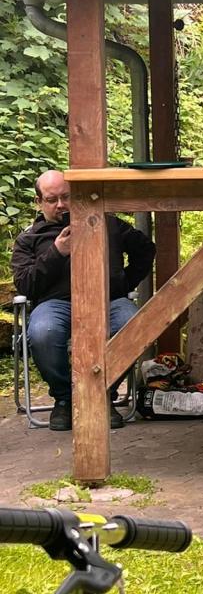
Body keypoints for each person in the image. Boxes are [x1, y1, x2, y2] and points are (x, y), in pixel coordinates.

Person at [11, 169, 155, 432]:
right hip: (55, 304)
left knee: (133, 324)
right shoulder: (30, 238)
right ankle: (65, 399)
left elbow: (145, 249)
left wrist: (123, 282)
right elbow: (25, 285)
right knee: (43, 332)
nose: (61, 205)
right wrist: (56, 251)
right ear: (39, 202)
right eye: (52, 199)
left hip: (108, 300)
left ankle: (103, 393)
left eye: (66, 197)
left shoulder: (107, 223)